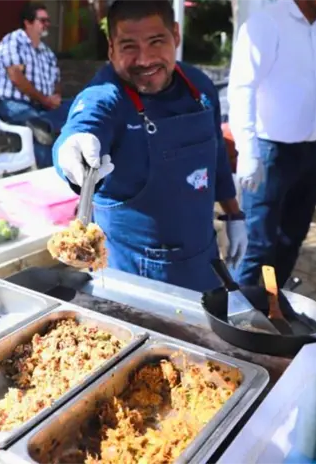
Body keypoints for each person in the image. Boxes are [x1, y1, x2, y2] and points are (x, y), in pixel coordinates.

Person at [51, 0, 247, 293]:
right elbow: (81, 127)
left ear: (176, 36)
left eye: (157, 42)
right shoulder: (106, 95)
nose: (144, 59)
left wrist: (233, 215)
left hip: (202, 259)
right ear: (111, 49)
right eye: (129, 46)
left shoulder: (200, 86)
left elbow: (215, 154)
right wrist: (71, 149)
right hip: (133, 275)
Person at [227, 0, 316, 288]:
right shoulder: (266, 24)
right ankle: (234, 318)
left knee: (291, 240)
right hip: (269, 152)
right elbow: (241, 89)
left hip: (310, 151)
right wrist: (248, 153)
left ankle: (270, 307)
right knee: (257, 245)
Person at [0, 2, 67, 168]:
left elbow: (56, 80)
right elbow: (16, 77)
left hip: (42, 106)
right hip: (13, 104)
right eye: (43, 20)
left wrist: (55, 96)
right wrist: (45, 100)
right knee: (37, 129)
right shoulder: (13, 41)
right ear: (28, 22)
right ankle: (45, 127)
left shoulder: (46, 51)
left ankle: (47, 124)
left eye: (47, 20)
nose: (47, 24)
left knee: (78, 106)